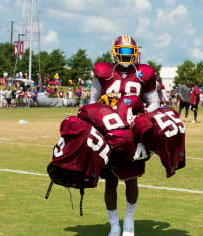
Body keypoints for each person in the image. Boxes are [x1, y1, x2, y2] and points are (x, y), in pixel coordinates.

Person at [90, 34, 159, 236]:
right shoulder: (103, 72)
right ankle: (114, 225)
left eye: (129, 52)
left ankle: (129, 221)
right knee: (110, 181)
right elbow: (92, 102)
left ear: (136, 54)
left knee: (131, 179)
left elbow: (155, 102)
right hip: (108, 131)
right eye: (122, 52)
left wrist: (142, 116)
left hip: (132, 133)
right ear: (114, 52)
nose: (126, 56)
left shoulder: (143, 73)